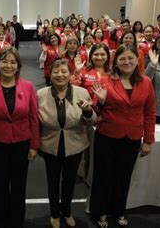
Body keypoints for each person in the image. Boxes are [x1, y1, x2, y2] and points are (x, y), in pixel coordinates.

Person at [89, 44, 155, 227]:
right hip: (107, 136)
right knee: (103, 176)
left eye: (130, 58)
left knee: (123, 177)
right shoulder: (105, 80)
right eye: (122, 59)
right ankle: (100, 212)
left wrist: (148, 139)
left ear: (137, 60)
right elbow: (95, 111)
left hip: (132, 138)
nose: (127, 62)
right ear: (115, 62)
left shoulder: (146, 82)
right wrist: (101, 102)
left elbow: (150, 112)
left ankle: (119, 211)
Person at [0, 47, 39, 228]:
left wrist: (34, 145)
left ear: (18, 66)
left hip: (22, 142)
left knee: (19, 185)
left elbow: (34, 117)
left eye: (12, 62)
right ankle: (1, 221)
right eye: (4, 61)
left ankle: (18, 221)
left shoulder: (27, 86)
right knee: (0, 184)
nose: (8, 65)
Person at [37, 59, 97, 228]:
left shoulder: (82, 92)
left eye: (64, 71)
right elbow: (35, 122)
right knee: (53, 182)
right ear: (50, 74)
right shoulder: (41, 94)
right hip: (50, 145)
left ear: (70, 74)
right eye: (56, 72)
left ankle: (67, 211)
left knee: (70, 181)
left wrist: (87, 111)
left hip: (75, 144)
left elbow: (91, 122)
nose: (60, 75)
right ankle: (55, 213)